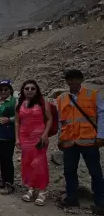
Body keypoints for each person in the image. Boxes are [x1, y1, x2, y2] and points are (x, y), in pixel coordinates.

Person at [56, 69, 104, 215]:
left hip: (89, 141)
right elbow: (60, 121)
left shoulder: (93, 95)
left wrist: (101, 135)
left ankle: (100, 203)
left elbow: (102, 115)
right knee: (69, 171)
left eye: (75, 79)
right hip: (69, 141)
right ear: (67, 81)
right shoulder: (61, 98)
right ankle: (72, 197)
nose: (72, 81)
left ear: (81, 80)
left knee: (95, 172)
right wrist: (60, 138)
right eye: (69, 79)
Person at [15, 79, 53, 206]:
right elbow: (17, 122)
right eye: (27, 88)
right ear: (23, 90)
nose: (30, 91)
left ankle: (42, 190)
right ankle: (31, 188)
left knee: (39, 163)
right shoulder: (20, 103)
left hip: (39, 138)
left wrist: (45, 134)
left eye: (32, 88)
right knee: (27, 162)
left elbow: (49, 119)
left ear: (36, 90)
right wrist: (17, 138)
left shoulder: (43, 103)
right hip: (25, 137)